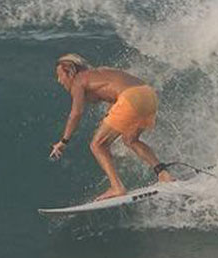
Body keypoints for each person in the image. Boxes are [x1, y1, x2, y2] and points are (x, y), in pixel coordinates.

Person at [48, 53, 175, 200]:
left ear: (70, 71)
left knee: (97, 145)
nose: (59, 80)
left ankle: (116, 187)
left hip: (130, 98)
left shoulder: (78, 80)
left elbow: (76, 113)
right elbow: (115, 94)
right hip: (148, 95)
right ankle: (163, 174)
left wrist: (64, 141)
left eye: (60, 75)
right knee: (130, 140)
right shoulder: (101, 73)